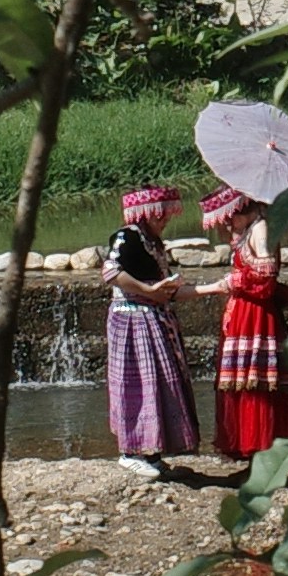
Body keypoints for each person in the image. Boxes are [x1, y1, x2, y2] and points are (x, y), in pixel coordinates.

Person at [103, 181, 196, 469]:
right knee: (137, 382)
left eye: (165, 214)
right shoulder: (126, 237)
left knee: (158, 382)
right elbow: (111, 272)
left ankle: (151, 451)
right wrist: (148, 290)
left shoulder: (153, 243)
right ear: (143, 214)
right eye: (159, 215)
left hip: (153, 317)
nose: (164, 220)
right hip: (131, 319)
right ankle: (130, 452)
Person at [207, 181, 288, 466]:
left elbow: (266, 281)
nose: (228, 223)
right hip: (245, 314)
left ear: (243, 208)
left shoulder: (261, 229)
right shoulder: (252, 229)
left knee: (256, 383)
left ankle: (260, 453)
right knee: (244, 382)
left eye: (231, 216)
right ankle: (253, 454)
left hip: (255, 317)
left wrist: (235, 282)